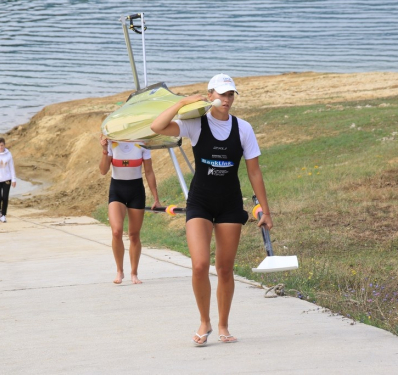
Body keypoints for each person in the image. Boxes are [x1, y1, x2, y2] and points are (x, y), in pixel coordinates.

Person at [151, 73, 273, 346]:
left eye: (230, 95)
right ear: (209, 95)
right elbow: (157, 126)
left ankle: (223, 325)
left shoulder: (243, 128)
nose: (226, 100)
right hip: (200, 202)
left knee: (225, 269)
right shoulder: (195, 123)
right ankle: (204, 321)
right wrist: (183, 102)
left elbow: (254, 172)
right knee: (200, 265)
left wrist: (266, 210)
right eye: (221, 94)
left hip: (230, 203)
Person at [99, 137, 161, 284]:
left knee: (133, 234)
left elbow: (149, 172)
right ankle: (119, 271)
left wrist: (156, 198)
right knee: (116, 231)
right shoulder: (112, 143)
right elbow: (103, 171)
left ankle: (134, 273)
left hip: (136, 192)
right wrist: (104, 149)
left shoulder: (142, 143)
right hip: (117, 191)